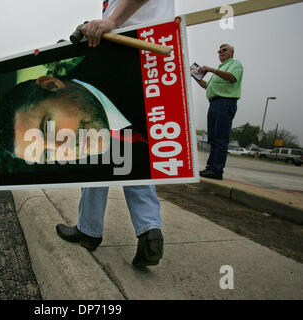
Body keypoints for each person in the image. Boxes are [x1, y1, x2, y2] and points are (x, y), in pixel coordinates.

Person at [56, 0, 175, 268]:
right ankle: (149, 230)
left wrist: (112, 22)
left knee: (99, 141)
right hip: (151, 53)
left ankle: (89, 229)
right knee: (131, 145)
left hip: (131, 47)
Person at [193, 44, 244, 180]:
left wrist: (210, 69)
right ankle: (210, 168)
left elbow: (232, 78)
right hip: (214, 103)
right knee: (213, 138)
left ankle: (217, 170)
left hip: (225, 102)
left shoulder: (235, 64)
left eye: (224, 50)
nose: (220, 53)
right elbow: (208, 86)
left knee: (221, 138)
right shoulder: (220, 69)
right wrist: (196, 77)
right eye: (219, 51)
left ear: (232, 52)